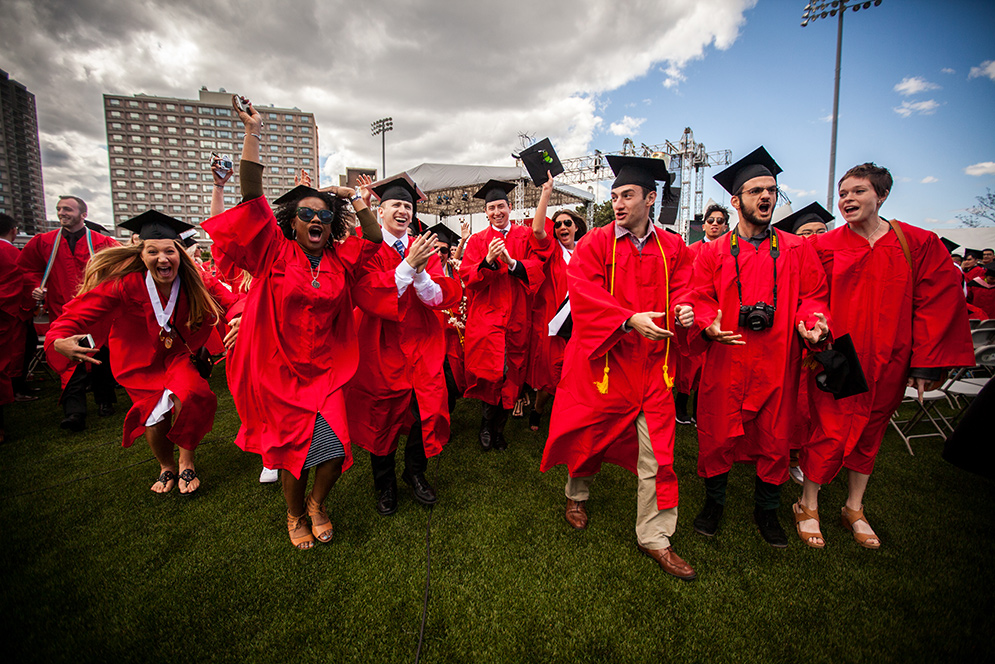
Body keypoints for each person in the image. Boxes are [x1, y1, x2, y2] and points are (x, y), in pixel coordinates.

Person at [202, 96, 382, 549]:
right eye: (307, 213)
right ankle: (295, 512)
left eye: (323, 214)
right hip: (281, 371)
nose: (316, 218)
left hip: (328, 369)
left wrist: (352, 199)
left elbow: (375, 239)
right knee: (294, 455)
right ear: (293, 223)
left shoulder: (340, 260)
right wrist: (252, 133)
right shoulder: (273, 253)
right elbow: (250, 197)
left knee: (336, 449)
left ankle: (318, 504)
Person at [797, 163, 975, 549]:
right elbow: (810, 294)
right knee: (827, 429)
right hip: (839, 356)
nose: (848, 199)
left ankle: (853, 507)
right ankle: (807, 504)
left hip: (892, 358)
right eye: (843, 193)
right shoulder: (823, 246)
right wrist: (814, 324)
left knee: (871, 432)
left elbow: (936, 304)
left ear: (882, 195)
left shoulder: (918, 243)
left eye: (858, 191)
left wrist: (925, 362)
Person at [541, 156, 698, 581]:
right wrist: (627, 319)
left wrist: (686, 310)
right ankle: (577, 494)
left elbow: (687, 288)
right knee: (588, 435)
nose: (619, 204)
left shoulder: (673, 248)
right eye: (614, 197)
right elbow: (583, 292)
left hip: (655, 369)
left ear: (650, 198)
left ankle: (656, 536)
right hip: (606, 362)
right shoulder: (595, 243)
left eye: (627, 196)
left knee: (661, 455)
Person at [688, 146, 831, 548]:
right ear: (737, 201)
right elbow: (697, 296)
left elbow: (814, 297)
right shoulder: (713, 252)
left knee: (774, 438)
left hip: (777, 362)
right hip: (726, 359)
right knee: (717, 436)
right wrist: (707, 322)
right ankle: (713, 504)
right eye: (755, 191)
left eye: (771, 190)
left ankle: (766, 511)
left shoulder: (796, 248)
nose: (766, 197)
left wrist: (813, 323)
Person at [45, 210, 239, 494]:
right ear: (141, 255)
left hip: (177, 355)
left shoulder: (194, 280)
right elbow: (79, 312)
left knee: (192, 393)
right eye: (153, 251)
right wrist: (57, 337)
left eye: (169, 251)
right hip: (137, 360)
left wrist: (239, 315)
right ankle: (166, 466)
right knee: (154, 417)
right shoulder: (123, 285)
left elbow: (231, 300)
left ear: (179, 254)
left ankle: (186, 460)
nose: (163, 258)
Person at [346, 175, 462, 515]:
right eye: (395, 204)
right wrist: (408, 266)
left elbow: (439, 296)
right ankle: (385, 483)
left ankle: (415, 473)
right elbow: (366, 294)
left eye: (408, 206)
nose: (402, 211)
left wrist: (422, 272)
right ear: (380, 211)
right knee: (382, 418)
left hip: (422, 345)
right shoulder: (366, 245)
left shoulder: (425, 246)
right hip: (381, 345)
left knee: (424, 411)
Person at [460, 179, 552, 451]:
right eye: (491, 208)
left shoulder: (524, 236)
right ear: (485, 213)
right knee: (491, 374)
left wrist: (513, 263)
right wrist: (488, 261)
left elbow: (540, 264)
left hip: (517, 318)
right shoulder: (478, 241)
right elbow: (468, 278)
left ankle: (499, 429)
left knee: (512, 374)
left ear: (509, 207)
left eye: (500, 206)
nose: (496, 212)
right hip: (488, 318)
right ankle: (487, 426)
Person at [17, 195, 119, 431]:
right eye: (59, 209)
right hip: (62, 309)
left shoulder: (102, 241)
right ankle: (75, 412)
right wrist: (36, 286)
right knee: (70, 357)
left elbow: (119, 268)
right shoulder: (43, 242)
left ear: (83, 214)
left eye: (67, 209)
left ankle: (105, 400)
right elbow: (27, 268)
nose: (62, 212)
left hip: (96, 310)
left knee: (100, 352)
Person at [771, 202, 835, 485]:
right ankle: (792, 456)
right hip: (795, 342)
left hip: (830, 341)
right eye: (806, 232)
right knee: (796, 406)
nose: (813, 238)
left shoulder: (836, 260)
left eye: (820, 231)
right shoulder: (788, 258)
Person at [674, 203, 729, 425]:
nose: (715, 224)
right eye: (711, 220)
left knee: (710, 366)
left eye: (720, 221)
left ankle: (699, 411)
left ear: (725, 226)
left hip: (720, 313)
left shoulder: (731, 251)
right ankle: (681, 407)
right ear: (703, 224)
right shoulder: (691, 250)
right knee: (691, 363)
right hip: (694, 310)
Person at [1, 213, 35, 443]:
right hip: (6, 316)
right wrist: (28, 306)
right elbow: (21, 285)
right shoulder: (11, 252)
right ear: (14, 230)